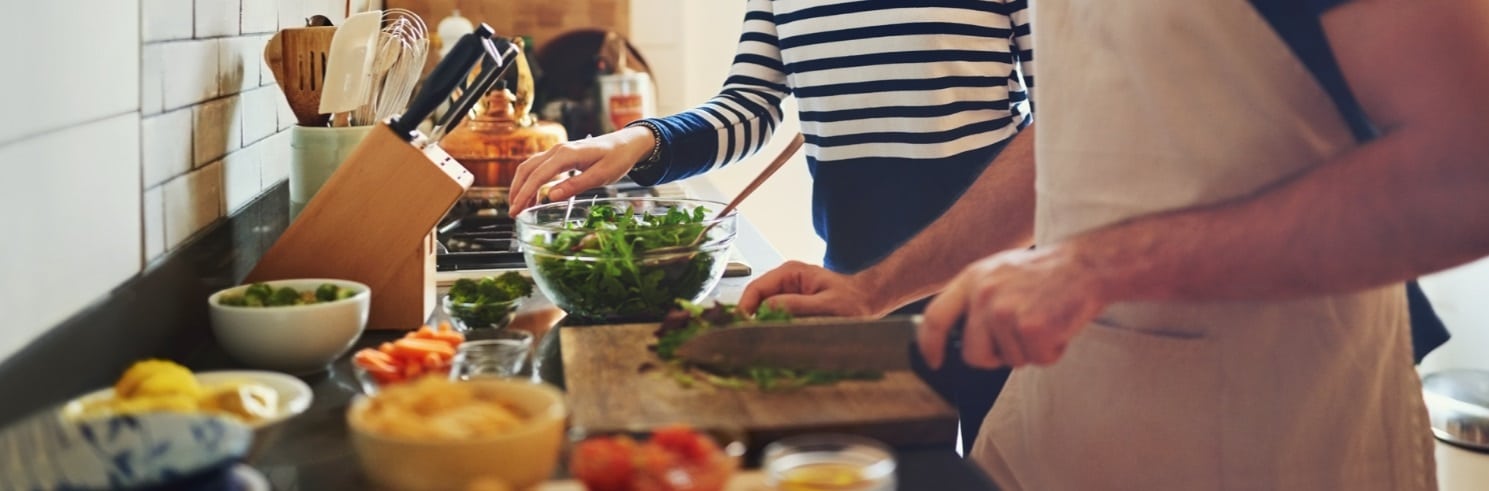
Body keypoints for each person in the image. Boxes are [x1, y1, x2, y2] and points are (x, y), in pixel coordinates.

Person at [743, 0, 1488, 488]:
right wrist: (874, 288)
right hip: (1069, 421)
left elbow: (1465, 169)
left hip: (1269, 437)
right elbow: (1078, 126)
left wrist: (1094, 266)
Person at [508, 1, 1037, 452]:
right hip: (852, 291)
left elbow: (1059, 123)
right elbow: (750, 106)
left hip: (994, 288)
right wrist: (634, 141)